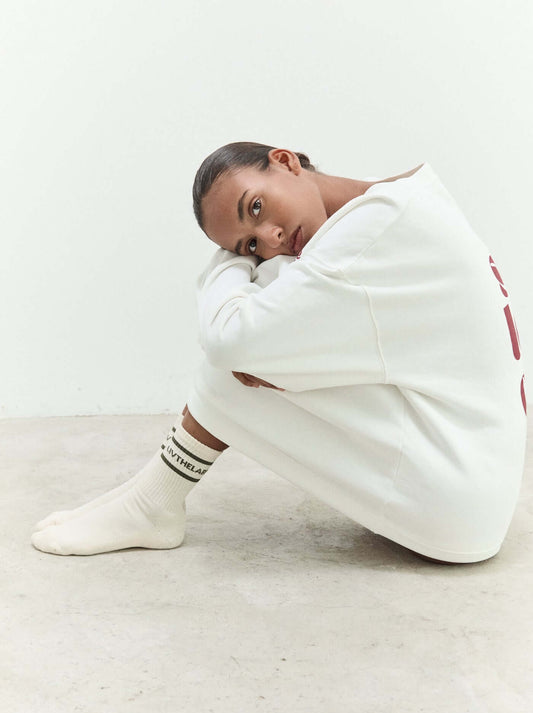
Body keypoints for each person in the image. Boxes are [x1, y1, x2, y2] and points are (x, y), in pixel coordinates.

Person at [31, 142, 527, 563]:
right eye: (248, 245)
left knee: (243, 345)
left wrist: (225, 264)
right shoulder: (390, 200)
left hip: (453, 505)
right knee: (265, 325)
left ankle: (152, 503)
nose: (268, 239)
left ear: (286, 161)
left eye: (255, 207)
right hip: (471, 481)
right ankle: (148, 500)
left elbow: (229, 339)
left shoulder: (369, 235)